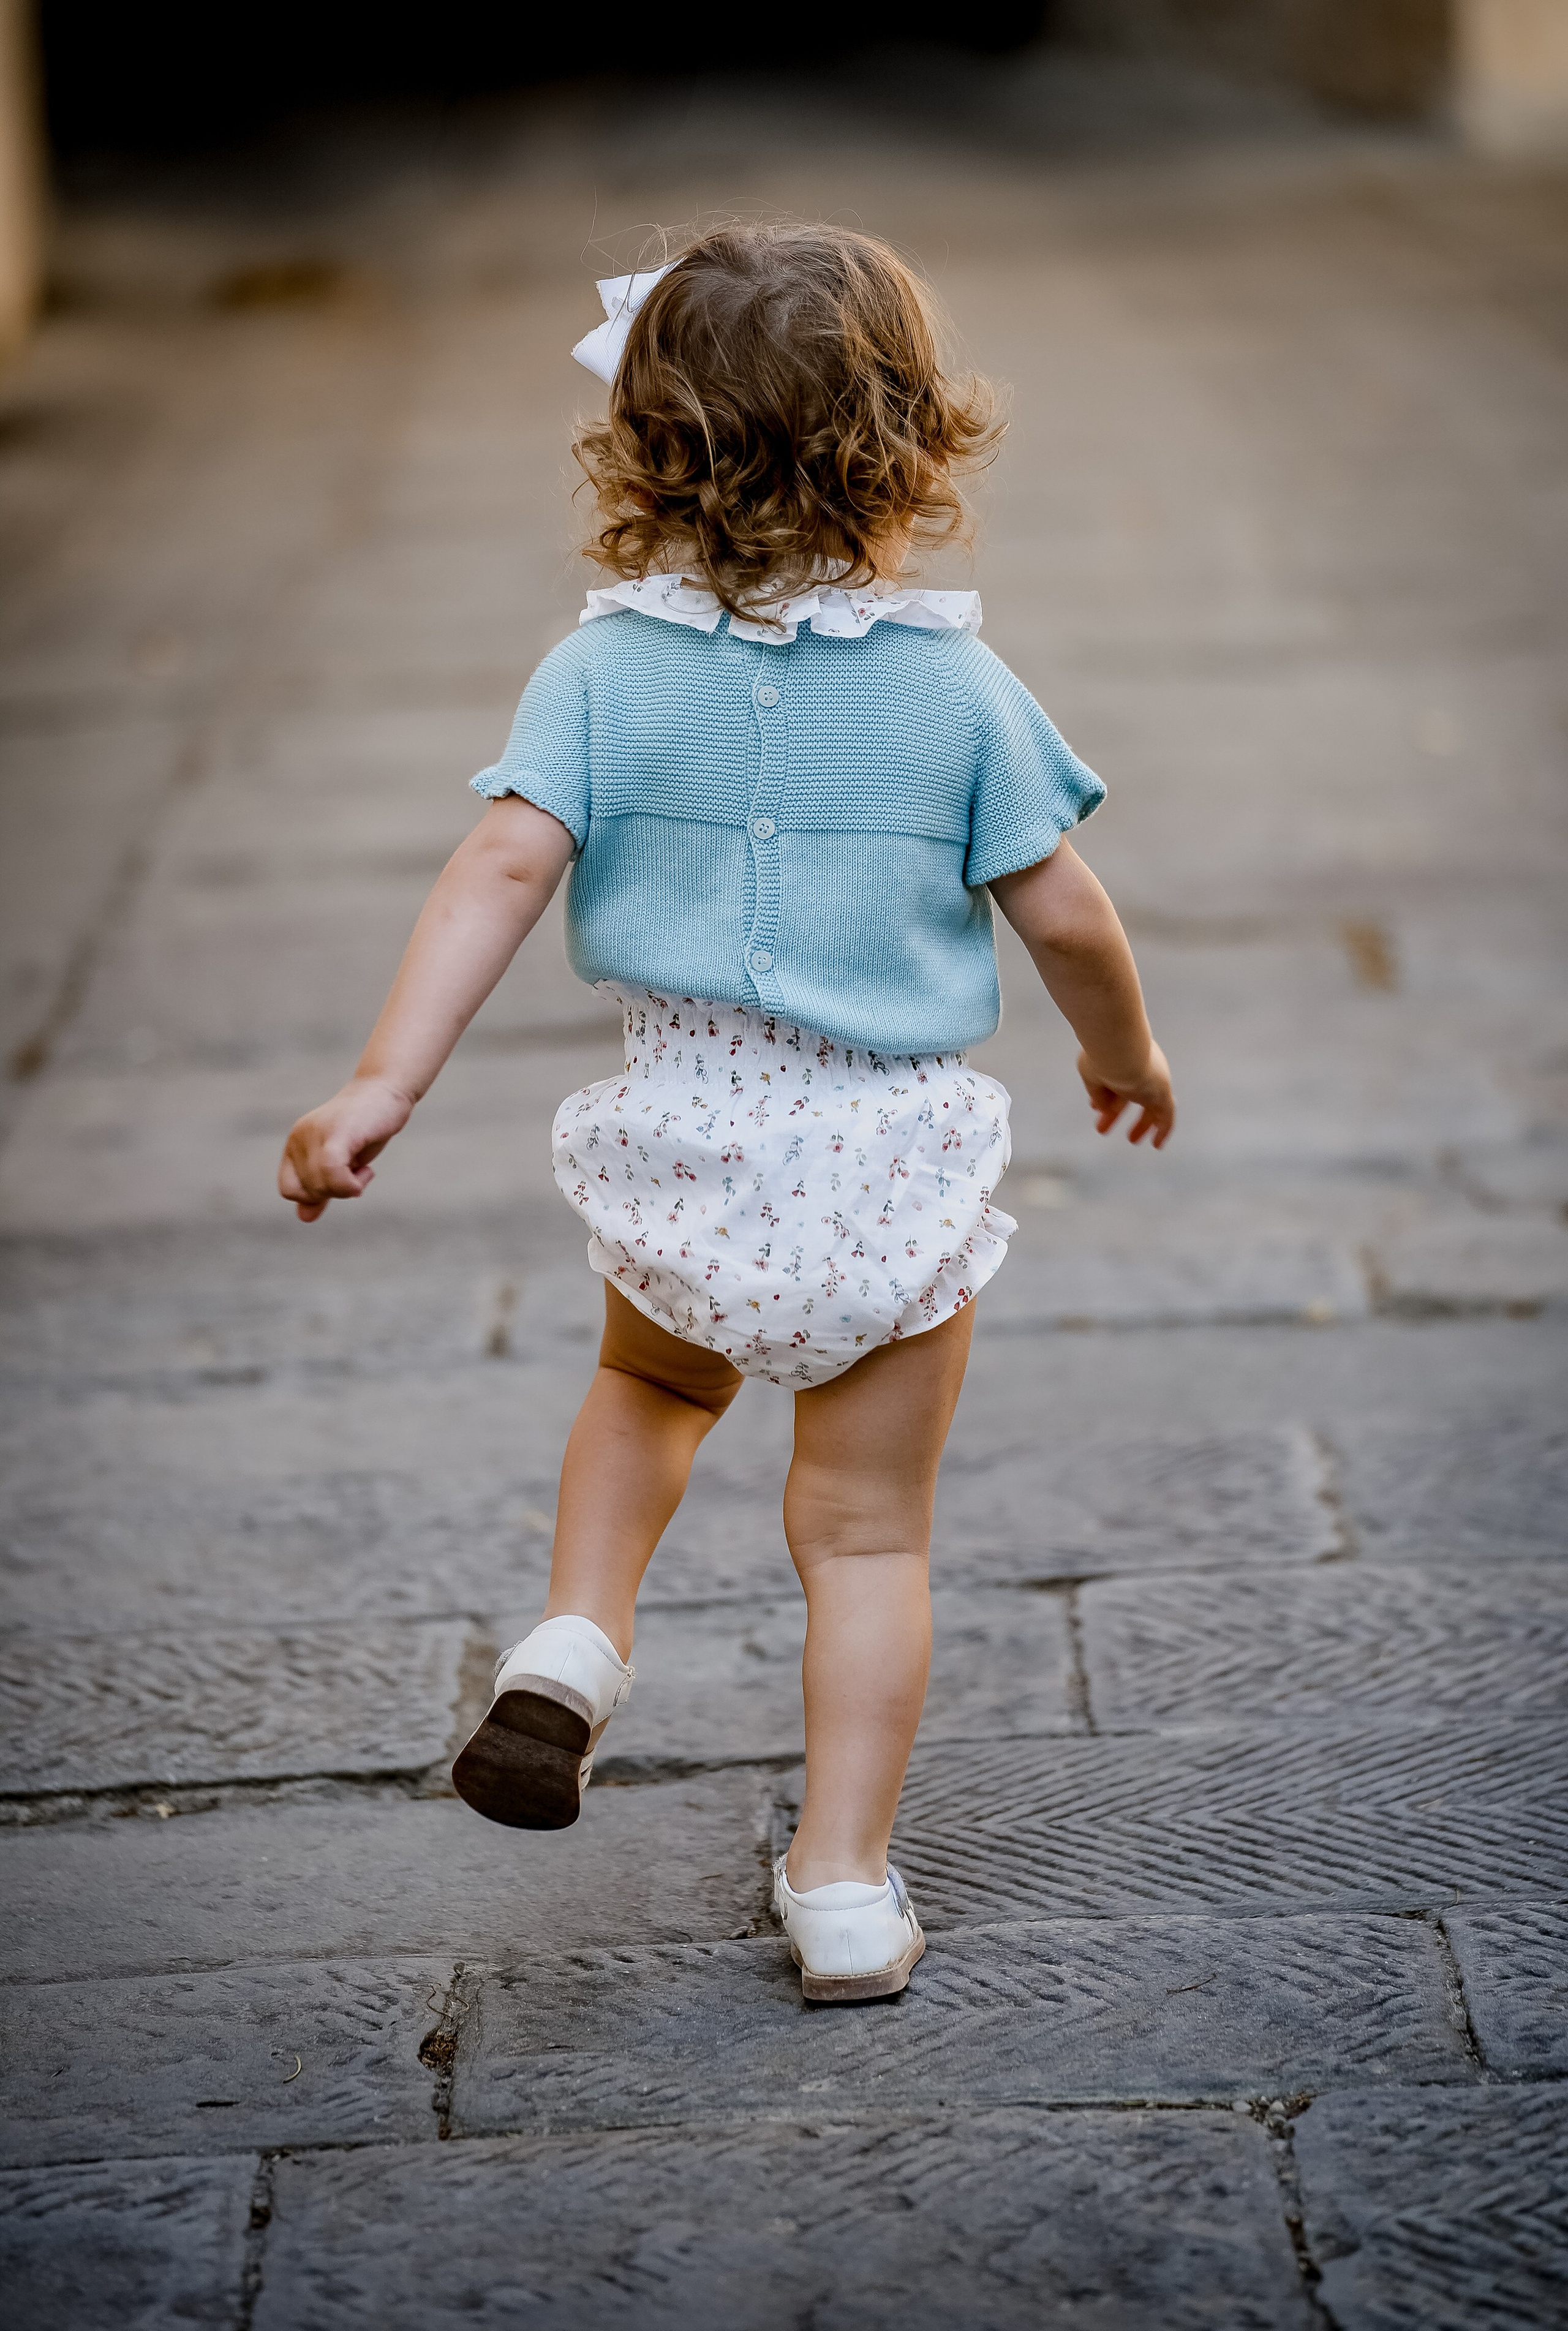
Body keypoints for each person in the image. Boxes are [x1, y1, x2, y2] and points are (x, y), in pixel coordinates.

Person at [278, 224, 1175, 2003]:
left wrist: (383, 1081)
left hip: (687, 1144)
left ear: (646, 449)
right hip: (887, 1168)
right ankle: (840, 1885)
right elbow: (1066, 914)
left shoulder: (599, 672)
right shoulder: (958, 691)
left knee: (645, 1389)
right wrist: (1126, 1057)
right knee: (864, 1538)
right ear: (914, 450)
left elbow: (498, 866)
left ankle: (578, 1635)